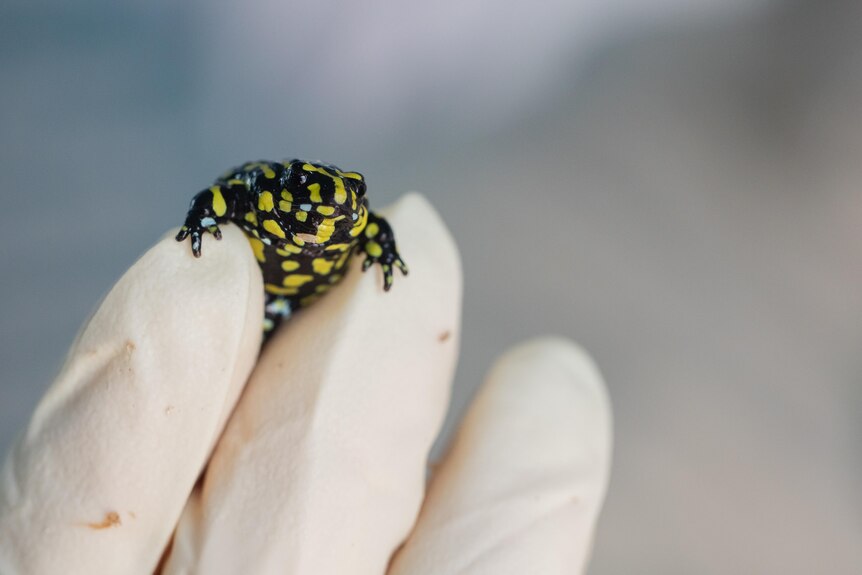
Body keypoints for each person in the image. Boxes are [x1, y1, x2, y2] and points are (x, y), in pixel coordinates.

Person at [0, 194, 612, 574]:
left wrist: (384, 256)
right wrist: (201, 225)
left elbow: (370, 228)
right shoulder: (269, 197)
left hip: (290, 308)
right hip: (254, 299)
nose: (340, 215)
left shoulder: (350, 220)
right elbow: (224, 194)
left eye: (348, 208)